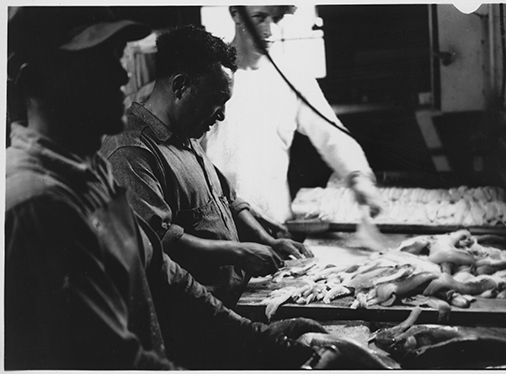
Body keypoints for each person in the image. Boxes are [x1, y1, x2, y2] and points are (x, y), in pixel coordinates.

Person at [5, 6, 325, 370]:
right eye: (96, 60)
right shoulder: (38, 204)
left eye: (116, 56)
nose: (121, 74)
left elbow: (166, 277)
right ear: (35, 81)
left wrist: (256, 338)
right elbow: (115, 361)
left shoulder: (91, 173)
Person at [100, 24, 313, 307]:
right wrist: (237, 253)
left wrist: (267, 241)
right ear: (180, 86)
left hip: (232, 298)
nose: (222, 115)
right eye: (217, 100)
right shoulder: (131, 150)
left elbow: (228, 199)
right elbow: (157, 240)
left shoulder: (185, 134)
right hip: (193, 315)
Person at [204, 5, 384, 230]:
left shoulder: (292, 76)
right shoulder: (209, 77)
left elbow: (331, 133)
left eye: (276, 19)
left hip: (276, 221)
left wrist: (358, 176)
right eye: (259, 18)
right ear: (235, 14)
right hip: (224, 226)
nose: (270, 30)